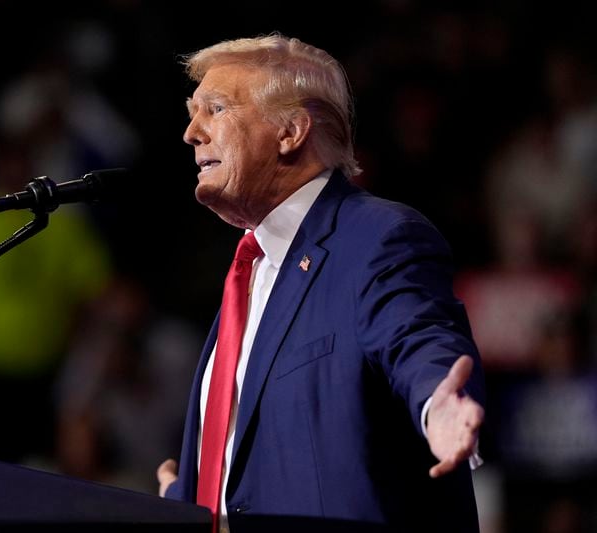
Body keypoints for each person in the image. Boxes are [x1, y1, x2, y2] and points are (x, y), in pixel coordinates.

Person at [156, 33, 486, 533]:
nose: (191, 132)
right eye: (192, 111)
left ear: (290, 131)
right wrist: (188, 500)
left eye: (215, 109)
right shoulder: (252, 269)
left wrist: (437, 402)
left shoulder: (377, 238)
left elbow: (416, 337)